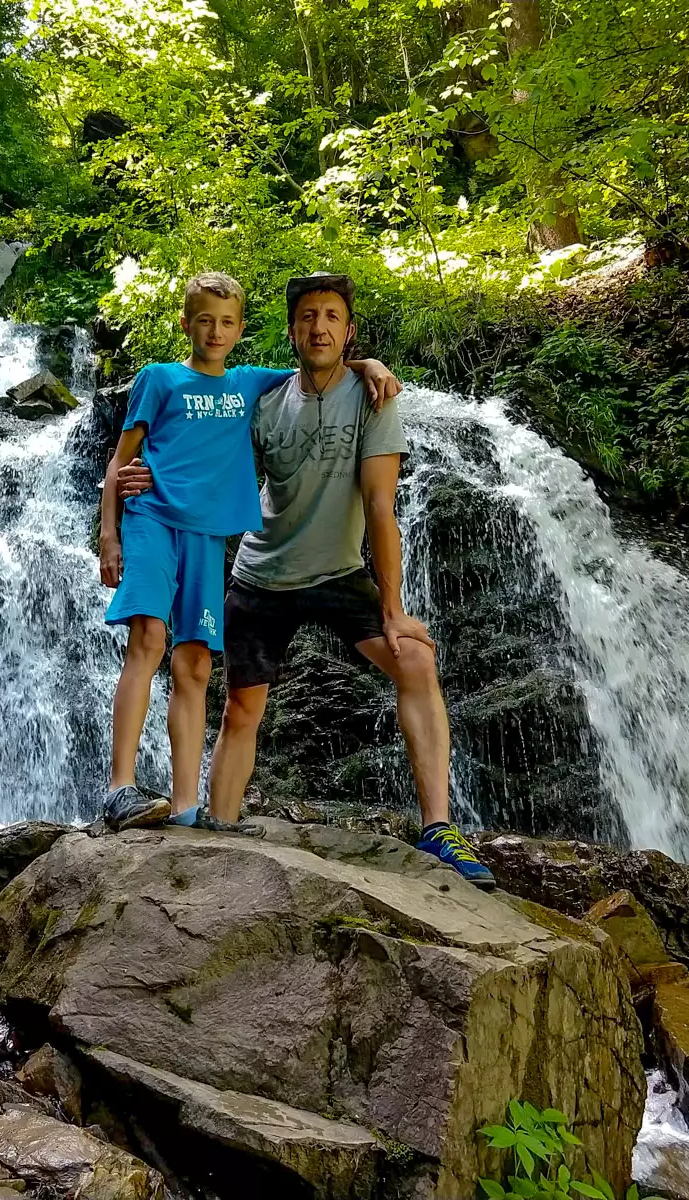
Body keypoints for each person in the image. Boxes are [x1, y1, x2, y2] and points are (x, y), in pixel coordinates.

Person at [119, 272, 495, 888]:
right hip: (261, 574)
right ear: (291, 330)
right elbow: (199, 444)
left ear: (348, 331)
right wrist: (135, 479)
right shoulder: (262, 399)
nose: (318, 326)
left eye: (331, 316)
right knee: (242, 708)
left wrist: (395, 609)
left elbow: (380, 507)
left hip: (340, 573)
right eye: (307, 317)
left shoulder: (375, 397)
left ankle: (439, 829)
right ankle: (215, 831)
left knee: (417, 663)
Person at [99, 271, 400, 833]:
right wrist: (109, 535)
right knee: (149, 638)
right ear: (186, 324)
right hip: (151, 521)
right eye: (205, 320)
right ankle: (120, 787)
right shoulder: (158, 379)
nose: (215, 331)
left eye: (227, 322)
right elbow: (121, 461)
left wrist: (370, 365)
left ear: (240, 329)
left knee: (194, 663)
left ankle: (187, 806)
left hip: (209, 538)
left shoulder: (248, 384)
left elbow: (320, 363)